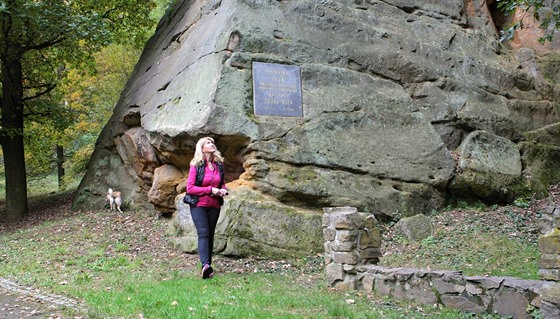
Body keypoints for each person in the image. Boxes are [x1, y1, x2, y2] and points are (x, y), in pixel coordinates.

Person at [186, 137, 228, 279]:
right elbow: (190, 188)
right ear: (202, 148)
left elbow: (221, 182)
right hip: (199, 205)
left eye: (212, 143)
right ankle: (205, 265)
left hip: (214, 205)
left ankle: (207, 268)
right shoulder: (196, 165)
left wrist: (222, 190)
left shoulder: (219, 164)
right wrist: (210, 190)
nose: (212, 145)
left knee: (210, 234)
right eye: (208, 143)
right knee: (203, 233)